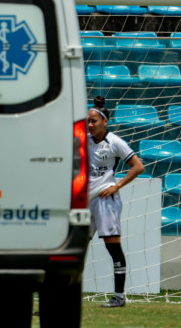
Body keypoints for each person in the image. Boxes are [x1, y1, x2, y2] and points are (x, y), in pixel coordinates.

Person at [87, 96, 145, 308]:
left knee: (113, 247)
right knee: (73, 253)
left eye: (94, 121)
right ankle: (59, 301)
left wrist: (116, 186)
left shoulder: (115, 142)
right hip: (85, 201)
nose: (90, 125)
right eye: (88, 121)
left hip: (105, 200)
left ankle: (119, 297)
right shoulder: (83, 140)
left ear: (105, 121)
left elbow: (138, 166)